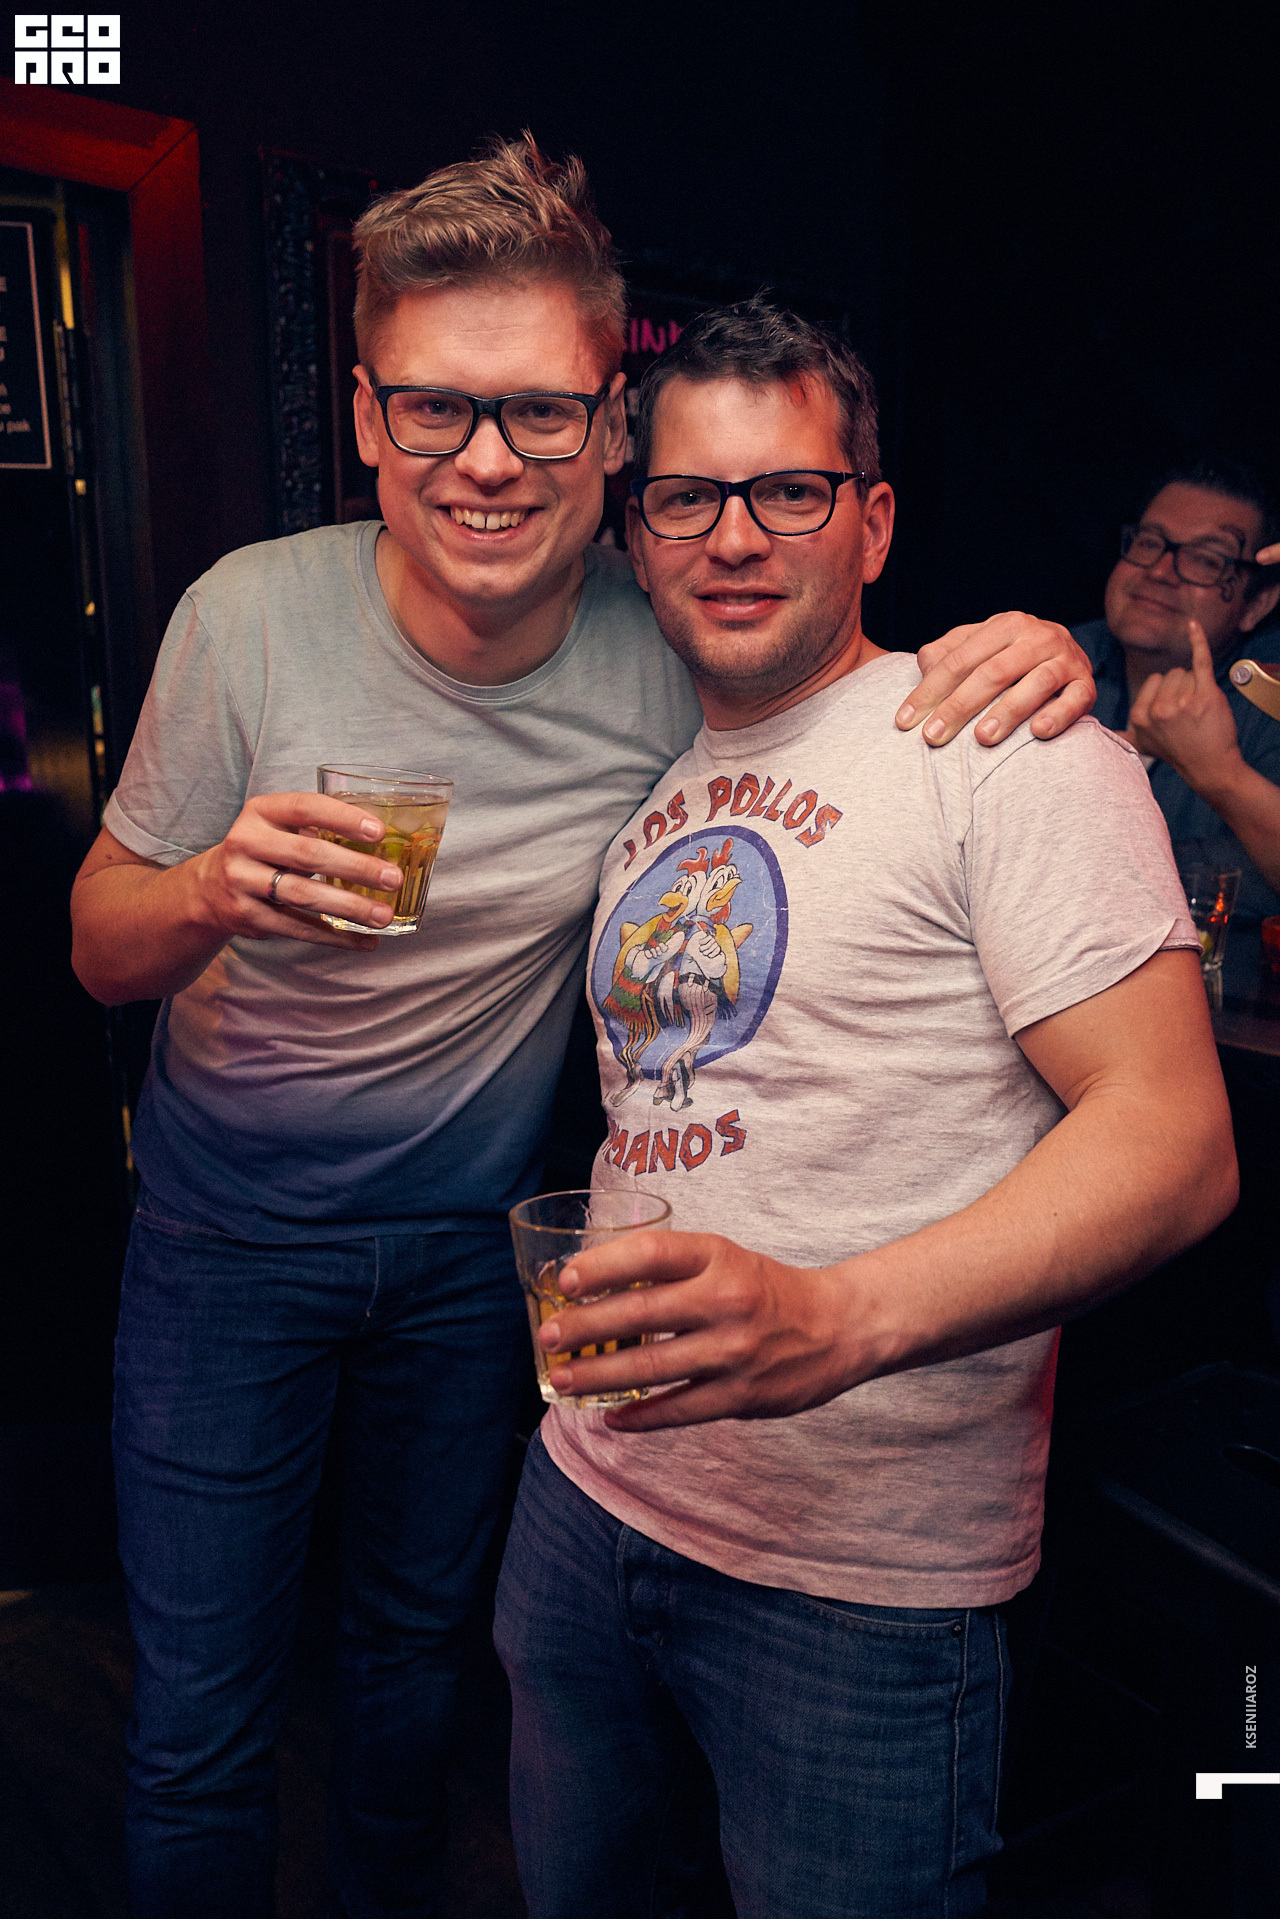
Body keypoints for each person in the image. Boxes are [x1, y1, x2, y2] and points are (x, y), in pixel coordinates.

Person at [69, 141, 1096, 1919]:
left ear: (611, 428)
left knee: (410, 1673)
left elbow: (845, 673)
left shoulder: (666, 644)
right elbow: (97, 946)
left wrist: (1037, 642)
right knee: (201, 1717)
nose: (487, 458)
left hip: (468, 1256)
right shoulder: (245, 617)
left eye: (540, 409)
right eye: (435, 406)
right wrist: (213, 887)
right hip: (224, 1239)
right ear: (370, 417)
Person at [492, 298, 1238, 1919]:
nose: (734, 535)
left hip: (861, 1579)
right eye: (688, 497)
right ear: (639, 539)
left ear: (874, 522)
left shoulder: (1007, 748)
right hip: (586, 1499)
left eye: (790, 490)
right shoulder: (654, 804)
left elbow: (1177, 1141)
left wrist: (842, 1315)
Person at [1071, 458, 1280, 920]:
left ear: (1257, 604)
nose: (1161, 571)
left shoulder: (1270, 695)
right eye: (1149, 542)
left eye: (1207, 559)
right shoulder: (1055, 663)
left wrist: (1220, 774)